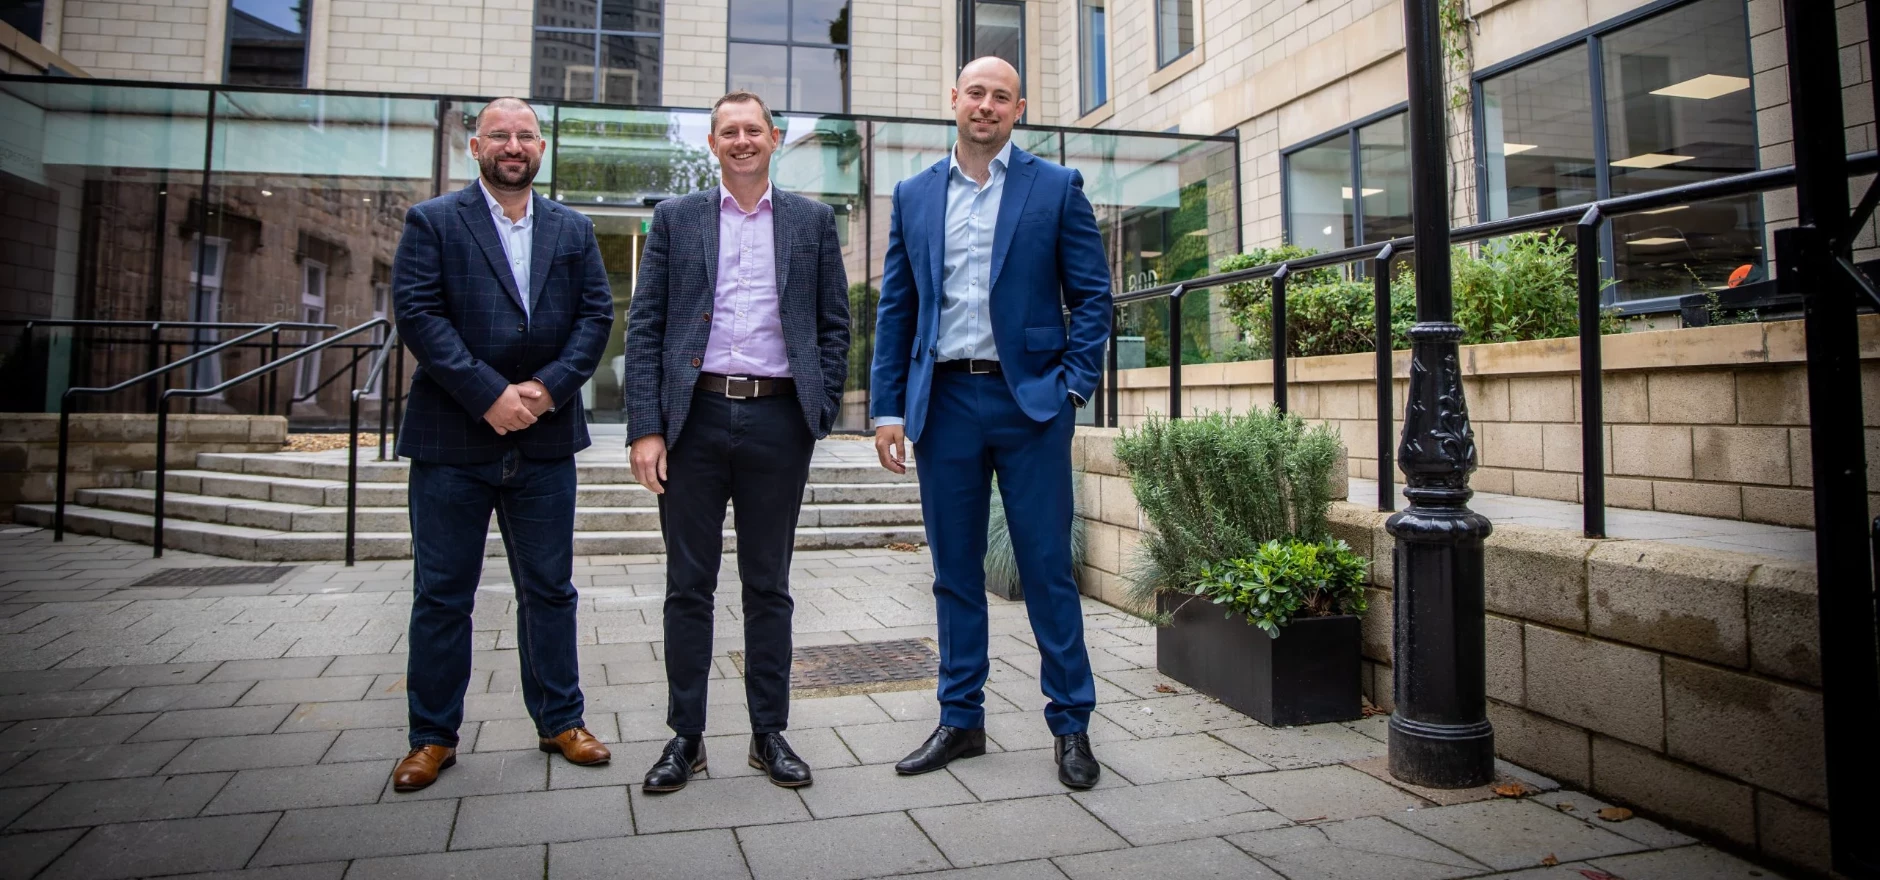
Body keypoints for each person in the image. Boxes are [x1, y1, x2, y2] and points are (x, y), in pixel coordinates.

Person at [870, 57, 1112, 790]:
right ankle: (960, 720)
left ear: (1019, 109)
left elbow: (1094, 299)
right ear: (954, 100)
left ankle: (1072, 726)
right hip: (943, 405)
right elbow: (897, 309)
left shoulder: (1056, 187)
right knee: (954, 574)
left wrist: (1072, 388)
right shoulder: (914, 195)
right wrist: (887, 408)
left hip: (1031, 404)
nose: (986, 105)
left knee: (1045, 569)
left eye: (1000, 96)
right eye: (975, 93)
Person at [622, 89, 851, 792]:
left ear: (774, 138)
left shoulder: (812, 221)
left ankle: (768, 734)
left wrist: (818, 409)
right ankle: (684, 739)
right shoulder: (676, 218)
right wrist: (646, 428)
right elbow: (647, 326)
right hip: (692, 421)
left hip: (778, 423)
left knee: (768, 586)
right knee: (688, 586)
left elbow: (835, 325)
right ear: (713, 142)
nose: (743, 140)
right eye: (730, 131)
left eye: (754, 129)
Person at [387, 96, 616, 792]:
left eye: (525, 136)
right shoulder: (432, 222)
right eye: (500, 135)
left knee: (549, 589)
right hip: (452, 438)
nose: (513, 145)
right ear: (476, 146)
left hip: (545, 442)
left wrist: (544, 390)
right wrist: (489, 394)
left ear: (541, 148)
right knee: (442, 595)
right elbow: (419, 314)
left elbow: (595, 316)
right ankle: (432, 737)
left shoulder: (573, 229)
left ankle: (560, 720)